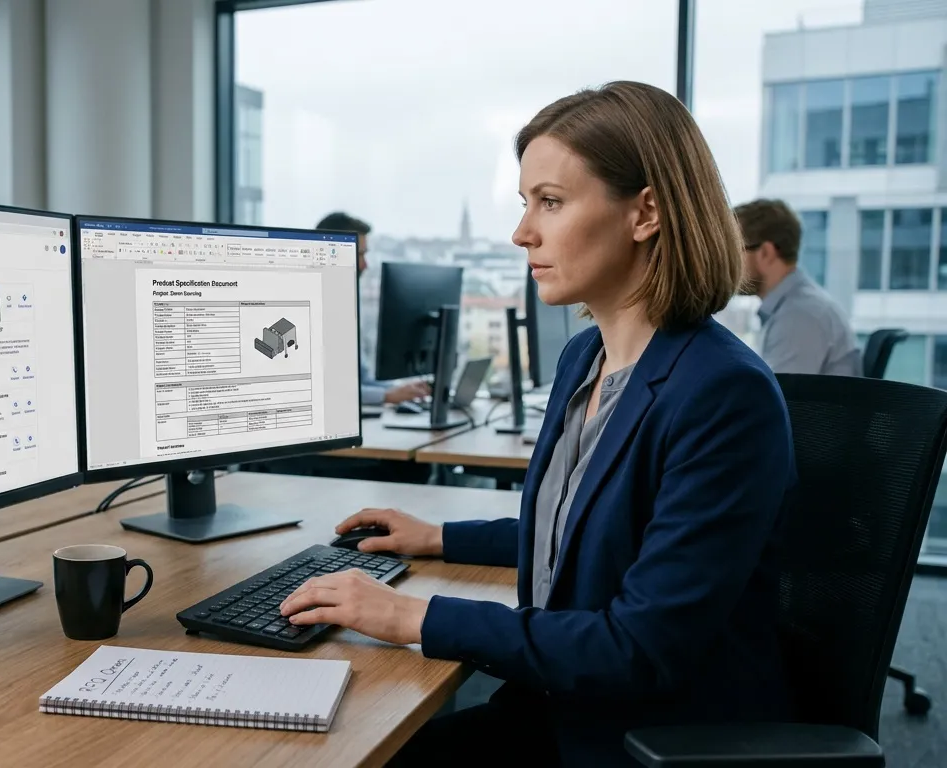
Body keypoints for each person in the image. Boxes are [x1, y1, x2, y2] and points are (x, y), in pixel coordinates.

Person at [281, 81, 796, 767]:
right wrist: (436, 536)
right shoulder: (587, 358)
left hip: (637, 741)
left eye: (549, 202)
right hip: (551, 708)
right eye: (526, 204)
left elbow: (638, 647)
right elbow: (588, 530)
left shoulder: (724, 394)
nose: (523, 232)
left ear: (646, 212)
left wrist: (413, 617)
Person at [734, 198, 861, 376]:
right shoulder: (794, 308)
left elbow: (780, 401)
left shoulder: (799, 316)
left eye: (733, 251)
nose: (727, 264)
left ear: (766, 253)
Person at [314, 211, 429, 406]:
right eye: (359, 255)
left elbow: (362, 379)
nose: (365, 265)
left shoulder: (343, 305)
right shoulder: (308, 307)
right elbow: (323, 390)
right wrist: (386, 396)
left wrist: (400, 390)